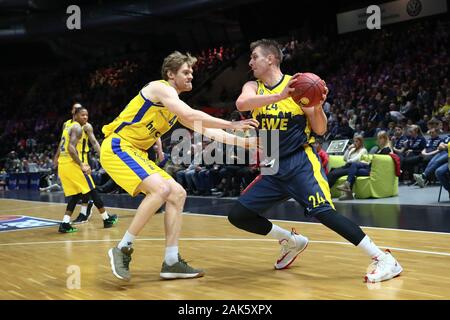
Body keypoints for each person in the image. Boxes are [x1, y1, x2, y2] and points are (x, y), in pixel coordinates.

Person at [227, 39, 402, 283]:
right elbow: (241, 104)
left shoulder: (299, 85)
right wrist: (279, 96)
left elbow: (319, 129)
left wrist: (316, 104)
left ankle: (383, 259)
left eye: (254, 56)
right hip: (272, 166)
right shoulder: (253, 87)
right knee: (238, 215)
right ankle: (291, 240)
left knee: (324, 213)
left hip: (300, 162)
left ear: (270, 59)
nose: (250, 61)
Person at [100, 51, 258, 281]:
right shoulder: (160, 88)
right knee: (162, 190)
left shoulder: (174, 108)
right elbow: (190, 113)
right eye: (186, 72)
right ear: (170, 74)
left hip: (136, 152)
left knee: (177, 193)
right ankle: (122, 248)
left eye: (192, 72)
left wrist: (245, 141)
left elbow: (206, 129)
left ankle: (171, 261)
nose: (191, 76)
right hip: (118, 146)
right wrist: (232, 123)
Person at [57, 107, 118, 233]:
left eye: (87, 115)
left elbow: (94, 142)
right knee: (93, 190)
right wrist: (81, 164)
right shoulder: (77, 127)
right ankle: (106, 219)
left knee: (77, 194)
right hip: (74, 163)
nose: (85, 117)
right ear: (75, 115)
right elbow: (70, 148)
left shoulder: (69, 126)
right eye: (83, 115)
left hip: (63, 164)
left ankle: (65, 223)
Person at [54, 103, 94, 223]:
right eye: (75, 108)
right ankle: (87, 209)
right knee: (79, 189)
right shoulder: (66, 124)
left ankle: (85, 212)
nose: (84, 116)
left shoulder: (86, 126)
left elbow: (94, 142)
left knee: (87, 189)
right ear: (73, 111)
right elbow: (62, 143)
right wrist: (56, 156)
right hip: (71, 159)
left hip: (83, 158)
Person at [336, 130, 393, 200]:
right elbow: (376, 161)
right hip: (371, 167)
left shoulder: (387, 150)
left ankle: (348, 191)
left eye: (380, 138)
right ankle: (347, 187)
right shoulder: (381, 149)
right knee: (354, 169)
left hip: (372, 171)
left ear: (385, 139)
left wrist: (368, 163)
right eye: (378, 138)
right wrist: (367, 162)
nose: (378, 140)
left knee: (353, 168)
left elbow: (379, 163)